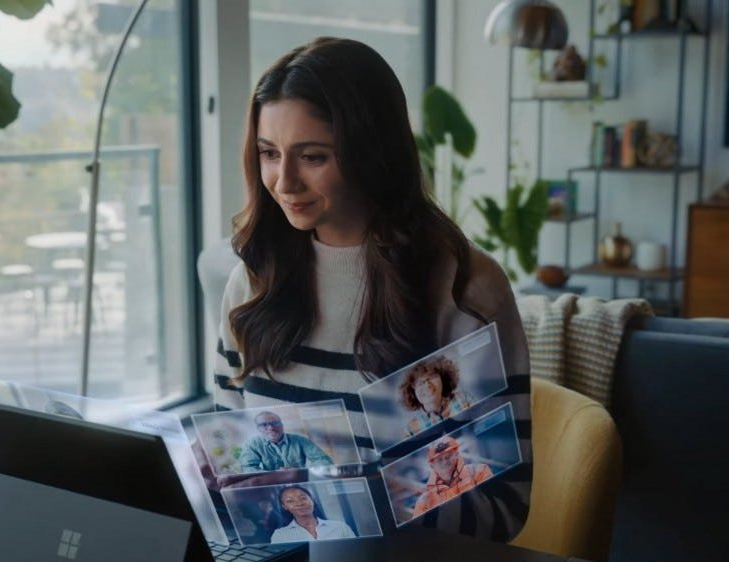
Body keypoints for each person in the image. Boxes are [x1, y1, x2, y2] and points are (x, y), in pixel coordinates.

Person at [212, 36, 532, 541]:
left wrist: (380, 499)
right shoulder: (253, 281)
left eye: (313, 156)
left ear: (372, 152)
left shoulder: (465, 290)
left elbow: (505, 508)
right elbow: (233, 472)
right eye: (269, 154)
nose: (284, 182)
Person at [411, 437, 493, 518]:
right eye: (439, 460)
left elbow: (494, 503)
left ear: (457, 454)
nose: (445, 462)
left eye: (448, 456)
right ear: (432, 465)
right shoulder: (424, 502)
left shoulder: (479, 472)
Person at [400, 355, 473, 437]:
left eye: (431, 377)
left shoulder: (463, 399)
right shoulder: (411, 430)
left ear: (442, 378)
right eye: (420, 382)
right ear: (412, 389)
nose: (427, 385)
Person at [238, 411, 333, 473]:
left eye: (275, 423)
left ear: (282, 425)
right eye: (264, 425)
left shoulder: (300, 440)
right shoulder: (252, 444)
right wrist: (273, 475)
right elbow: (246, 468)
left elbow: (324, 460)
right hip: (269, 482)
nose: (271, 428)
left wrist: (300, 471)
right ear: (258, 428)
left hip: (299, 479)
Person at [270, 485, 356, 543]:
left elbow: (357, 553)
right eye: (290, 501)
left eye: (303, 498)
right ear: (284, 506)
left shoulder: (339, 527)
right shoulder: (280, 535)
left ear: (312, 499)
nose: (299, 503)